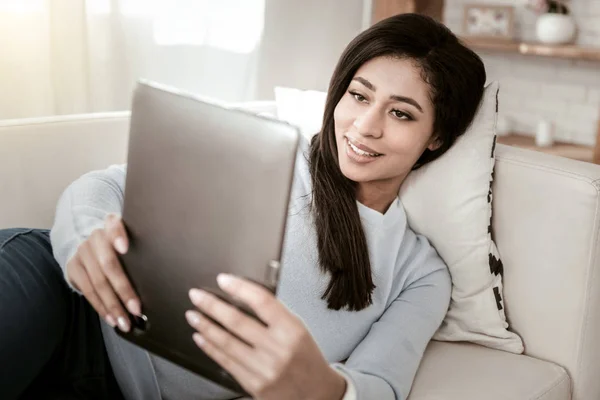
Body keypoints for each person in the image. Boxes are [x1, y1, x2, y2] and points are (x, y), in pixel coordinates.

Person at [0, 13, 486, 400]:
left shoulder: (419, 273)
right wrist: (85, 237)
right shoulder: (270, 155)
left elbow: (381, 384)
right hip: (63, 301)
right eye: (358, 96)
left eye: (401, 113)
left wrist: (320, 387)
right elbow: (105, 186)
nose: (365, 126)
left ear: (437, 135)